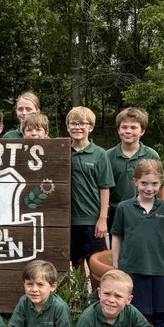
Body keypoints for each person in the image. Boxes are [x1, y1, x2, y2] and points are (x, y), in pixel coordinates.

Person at [111, 159, 164, 327]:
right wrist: (117, 265)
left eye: (154, 184)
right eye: (144, 183)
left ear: (161, 184)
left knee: (160, 316)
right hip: (131, 271)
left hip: (158, 270)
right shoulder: (124, 208)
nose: (149, 188)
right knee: (128, 315)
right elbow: (117, 236)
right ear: (135, 182)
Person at [67, 106, 114, 271]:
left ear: (91, 127)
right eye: (73, 123)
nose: (77, 127)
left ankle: (95, 290)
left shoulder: (100, 154)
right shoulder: (62, 150)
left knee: (95, 263)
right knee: (75, 262)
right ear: (68, 126)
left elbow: (105, 187)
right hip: (69, 219)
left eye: (82, 123)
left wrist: (102, 219)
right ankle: (79, 289)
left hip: (92, 219)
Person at [105, 108, 164, 234]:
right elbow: (104, 188)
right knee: (117, 243)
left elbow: (161, 186)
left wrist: (162, 212)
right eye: (124, 127)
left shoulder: (151, 155)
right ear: (118, 129)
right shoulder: (108, 156)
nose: (128, 131)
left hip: (146, 210)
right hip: (116, 212)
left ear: (142, 131)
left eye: (133, 127)